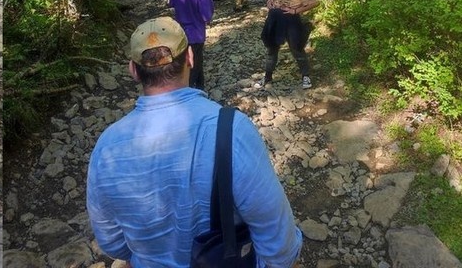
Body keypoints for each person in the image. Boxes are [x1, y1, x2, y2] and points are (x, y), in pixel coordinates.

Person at [87, 17, 304, 267]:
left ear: (133, 71)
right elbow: (278, 238)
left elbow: (113, 243)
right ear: (190, 57)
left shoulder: (106, 148)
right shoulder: (232, 129)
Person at [256, 0, 319, 90]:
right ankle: (267, 77)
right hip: (274, 17)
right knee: (271, 49)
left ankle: (306, 76)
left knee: (296, 49)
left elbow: (314, 1)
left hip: (290, 19)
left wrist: (296, 10)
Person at [168, 0, 214, 90]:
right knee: (193, 64)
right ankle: (192, 92)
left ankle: (200, 87)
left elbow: (172, 2)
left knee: (194, 62)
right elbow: (207, 15)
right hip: (196, 33)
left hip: (180, 31)